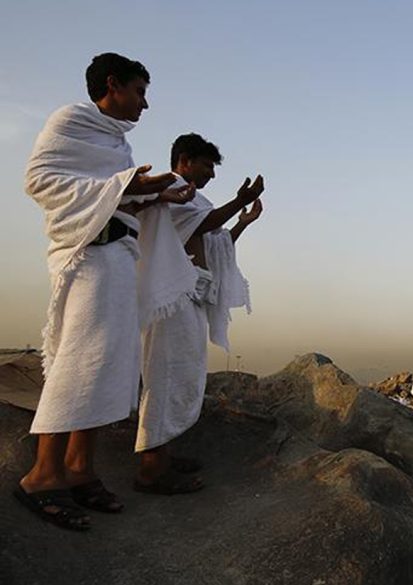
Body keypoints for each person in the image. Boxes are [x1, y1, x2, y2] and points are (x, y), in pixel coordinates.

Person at [17, 52, 194, 530]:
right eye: (139, 92)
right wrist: (126, 185)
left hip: (118, 259)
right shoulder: (71, 121)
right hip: (86, 258)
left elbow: (117, 198)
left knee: (107, 367)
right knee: (77, 363)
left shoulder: (117, 145)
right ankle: (41, 475)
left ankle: (79, 468)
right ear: (112, 85)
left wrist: (154, 194)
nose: (144, 104)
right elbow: (39, 181)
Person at [134, 133, 263, 494]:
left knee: (183, 376)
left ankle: (163, 455)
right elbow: (204, 225)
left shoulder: (195, 199)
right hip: (173, 298)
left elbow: (215, 243)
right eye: (207, 165)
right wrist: (240, 199)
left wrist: (244, 220)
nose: (211, 174)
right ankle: (150, 469)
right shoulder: (171, 190)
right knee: (165, 376)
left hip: (192, 296)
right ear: (185, 160)